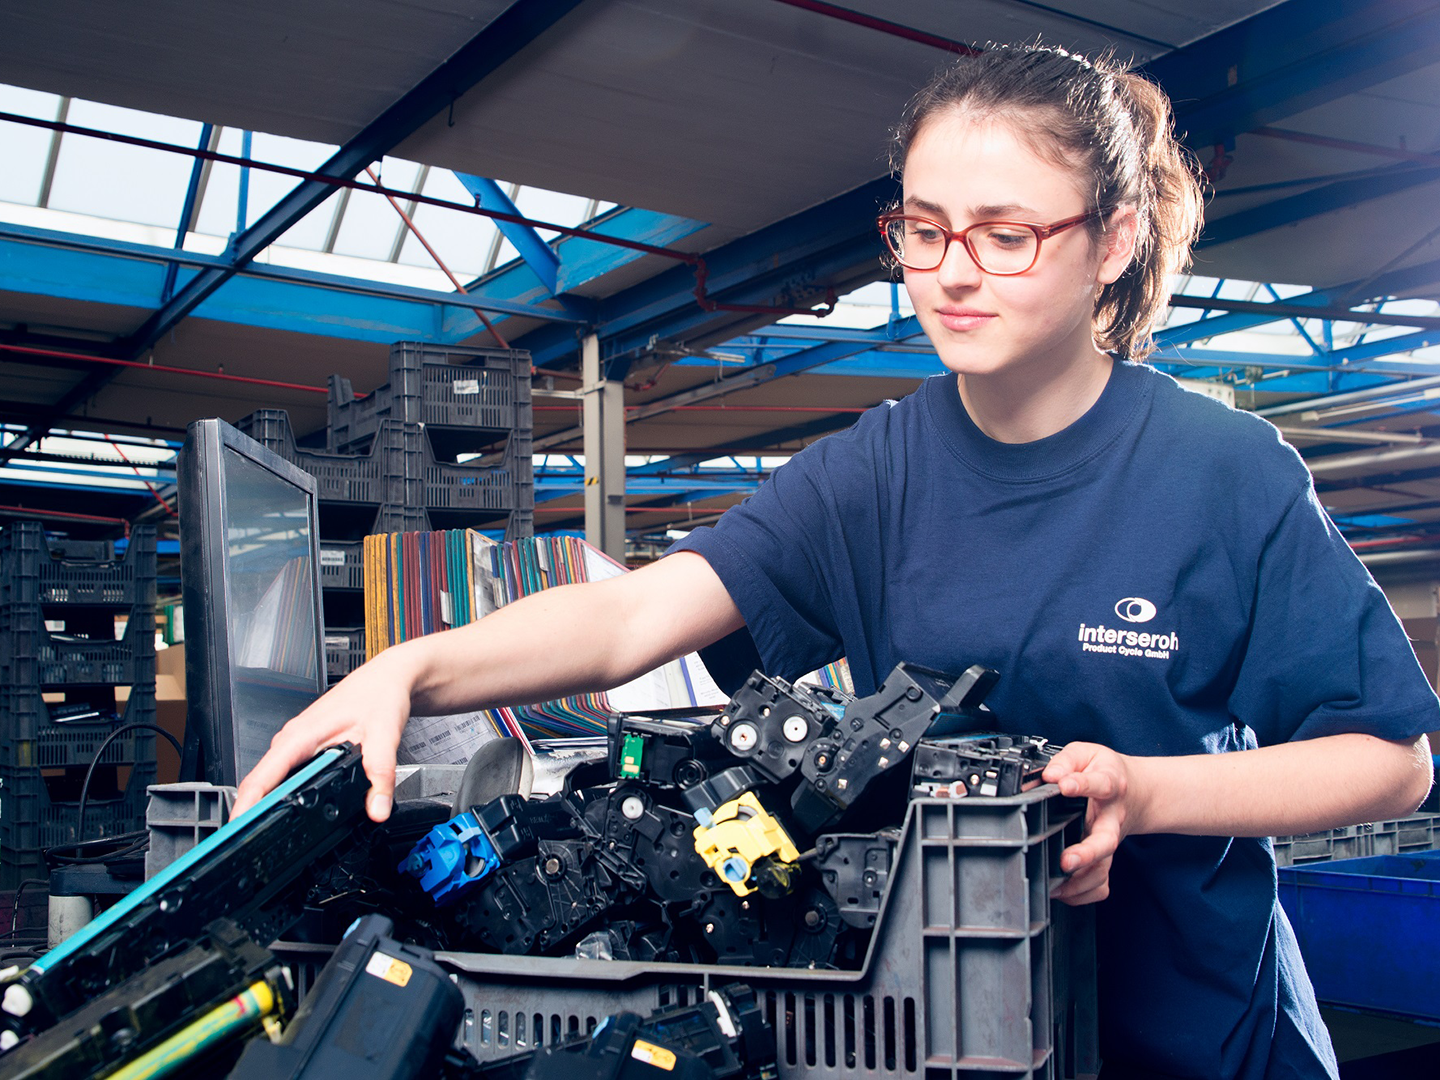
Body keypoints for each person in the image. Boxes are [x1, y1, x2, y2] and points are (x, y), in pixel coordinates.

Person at [235, 43, 1436, 1079]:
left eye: (1006, 234)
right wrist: (411, 671)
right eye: (923, 229)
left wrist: (1149, 791)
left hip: (1194, 1034)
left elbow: (1390, 761)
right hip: (953, 1037)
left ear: (1113, 240)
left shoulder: (1224, 471)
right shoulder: (881, 468)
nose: (953, 271)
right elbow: (634, 617)